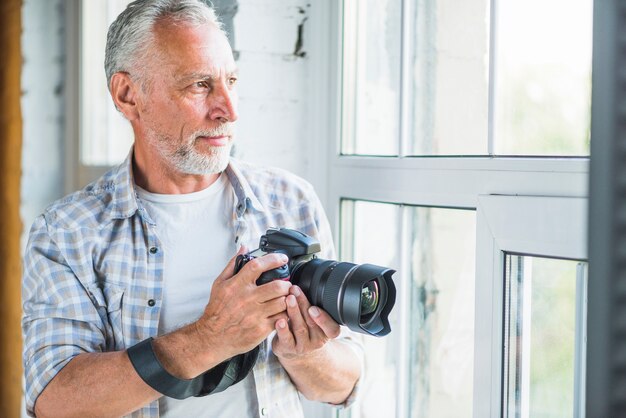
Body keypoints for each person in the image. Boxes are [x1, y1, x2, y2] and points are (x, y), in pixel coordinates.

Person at [21, 1, 363, 417]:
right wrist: (210, 337)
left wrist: (304, 355)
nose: (229, 110)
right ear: (128, 95)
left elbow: (343, 384)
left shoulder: (290, 200)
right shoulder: (66, 232)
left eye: (231, 81)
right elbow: (55, 402)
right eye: (199, 85)